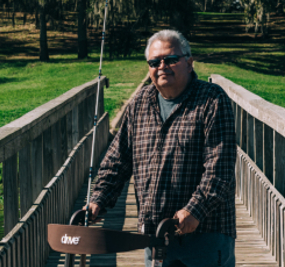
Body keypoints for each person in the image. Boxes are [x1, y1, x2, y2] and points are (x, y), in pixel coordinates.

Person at [85, 30, 237, 267]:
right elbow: (118, 159)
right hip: (155, 237)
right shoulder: (140, 103)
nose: (162, 66)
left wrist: (195, 210)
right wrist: (99, 198)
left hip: (205, 235)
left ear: (189, 62)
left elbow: (220, 168)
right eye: (155, 62)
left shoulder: (212, 100)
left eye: (171, 59)